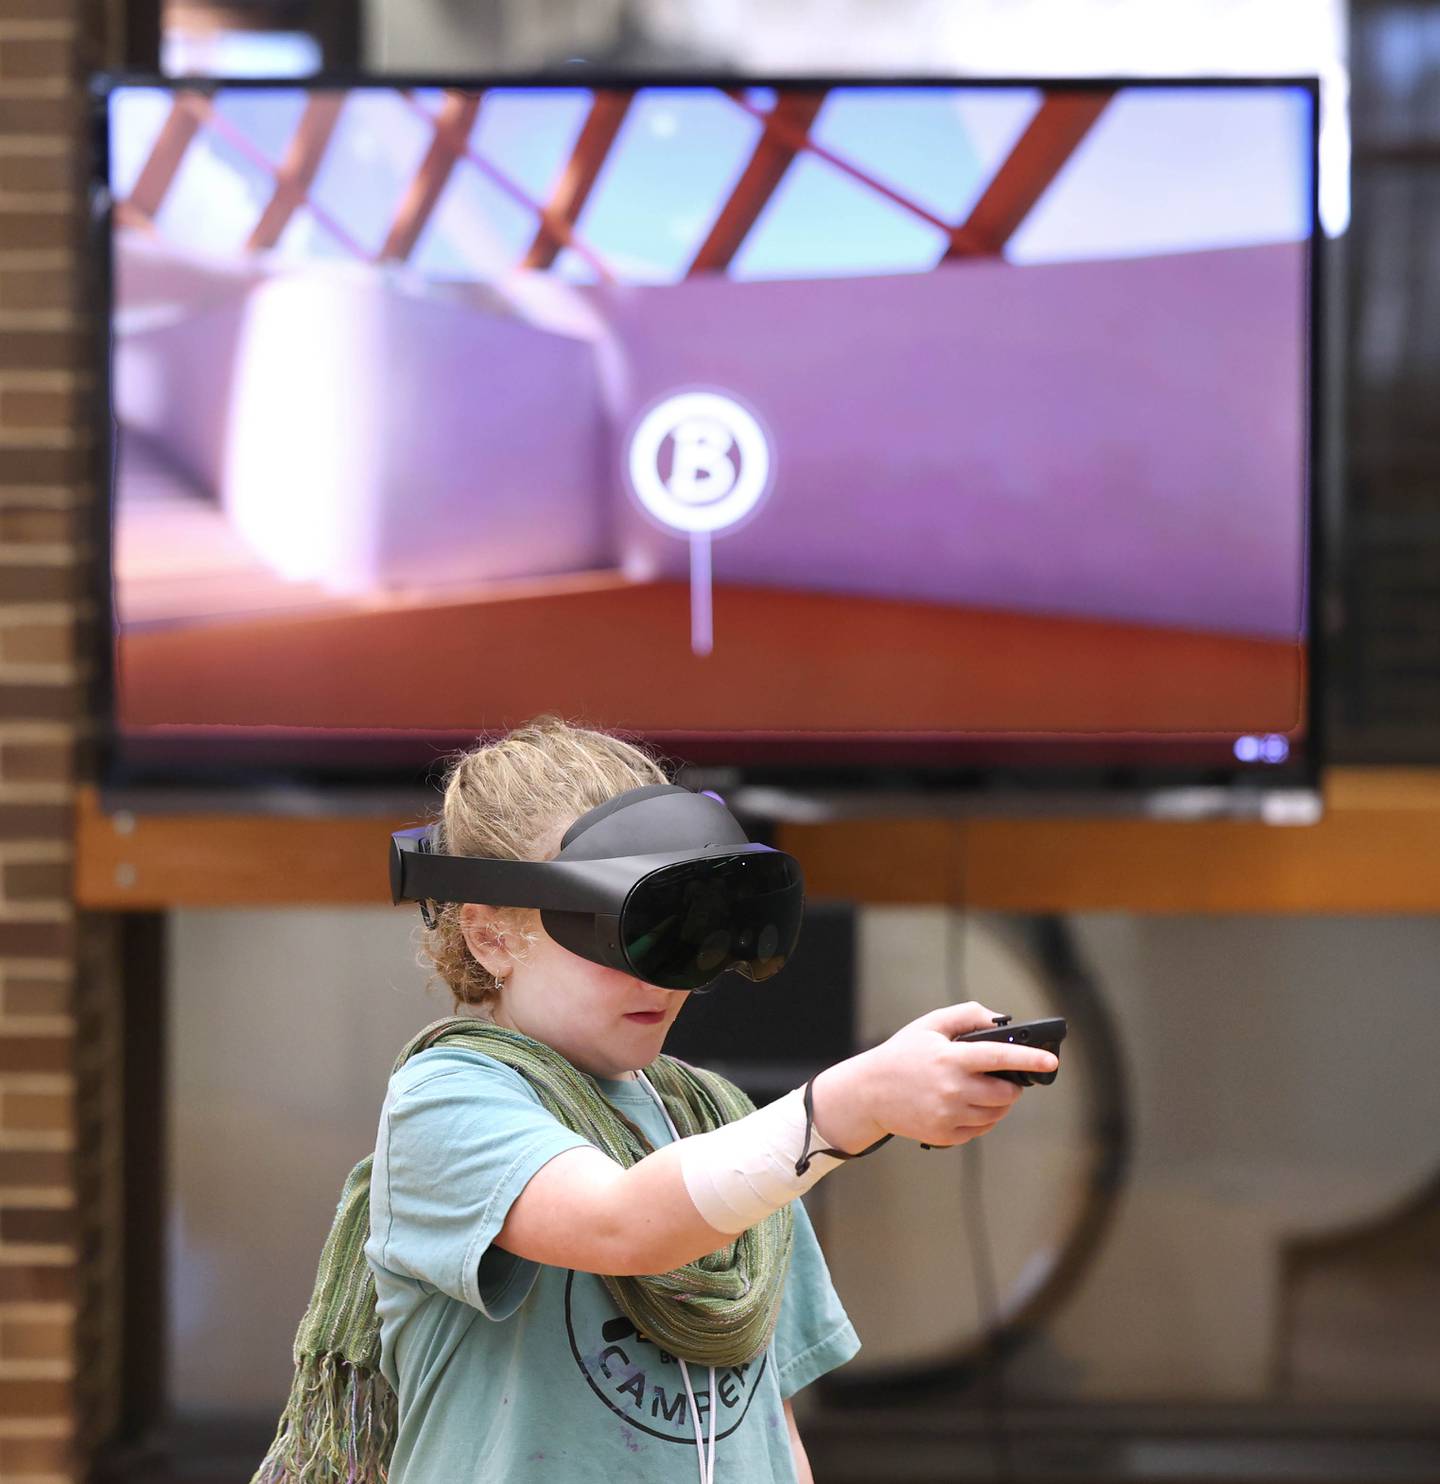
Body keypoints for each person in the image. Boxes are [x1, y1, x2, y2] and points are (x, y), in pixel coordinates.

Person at [253, 717, 1058, 1484]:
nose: (656, 977)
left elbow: (767, 1423)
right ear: (491, 935)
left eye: (678, 931)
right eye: (618, 932)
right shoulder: (448, 1098)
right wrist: (854, 1101)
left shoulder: (720, 1121)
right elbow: (623, 1224)